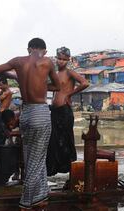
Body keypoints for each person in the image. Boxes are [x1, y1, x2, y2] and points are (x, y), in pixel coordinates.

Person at [0, 38, 60, 211]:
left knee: (31, 159)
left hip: (26, 114)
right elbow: (58, 86)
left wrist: (17, 76)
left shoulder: (18, 61)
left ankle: (39, 200)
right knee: (36, 163)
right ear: (44, 50)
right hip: (39, 112)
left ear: (29, 49)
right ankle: (26, 209)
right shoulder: (47, 62)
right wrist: (42, 83)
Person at [47, 47, 89, 176]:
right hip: (54, 111)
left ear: (68, 60)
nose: (61, 61)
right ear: (55, 58)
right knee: (54, 140)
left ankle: (71, 171)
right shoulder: (53, 73)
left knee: (66, 140)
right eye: (59, 58)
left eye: (64, 59)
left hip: (65, 111)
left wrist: (69, 94)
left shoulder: (69, 72)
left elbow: (85, 83)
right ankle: (54, 169)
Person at [0, 77, 12, 145]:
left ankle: (1, 146)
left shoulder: (7, 92)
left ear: (5, 84)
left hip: (3, 113)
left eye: (1, 85)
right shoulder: (3, 91)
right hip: (0, 113)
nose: (0, 87)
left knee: (1, 132)